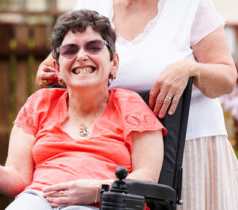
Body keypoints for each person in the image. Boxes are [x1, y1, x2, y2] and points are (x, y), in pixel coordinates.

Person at [0, 10, 166, 210]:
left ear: (113, 63)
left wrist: (97, 190)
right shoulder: (39, 104)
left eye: (93, 47)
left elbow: (147, 177)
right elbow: (19, 179)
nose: (81, 56)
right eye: (70, 50)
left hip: (103, 203)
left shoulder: (131, 106)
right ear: (57, 69)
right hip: (37, 198)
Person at [36, 0, 238, 209]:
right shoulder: (93, 5)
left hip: (189, 148)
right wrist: (48, 74)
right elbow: (53, 66)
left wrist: (189, 69)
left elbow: (227, 77)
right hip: (115, 157)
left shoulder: (190, 6)